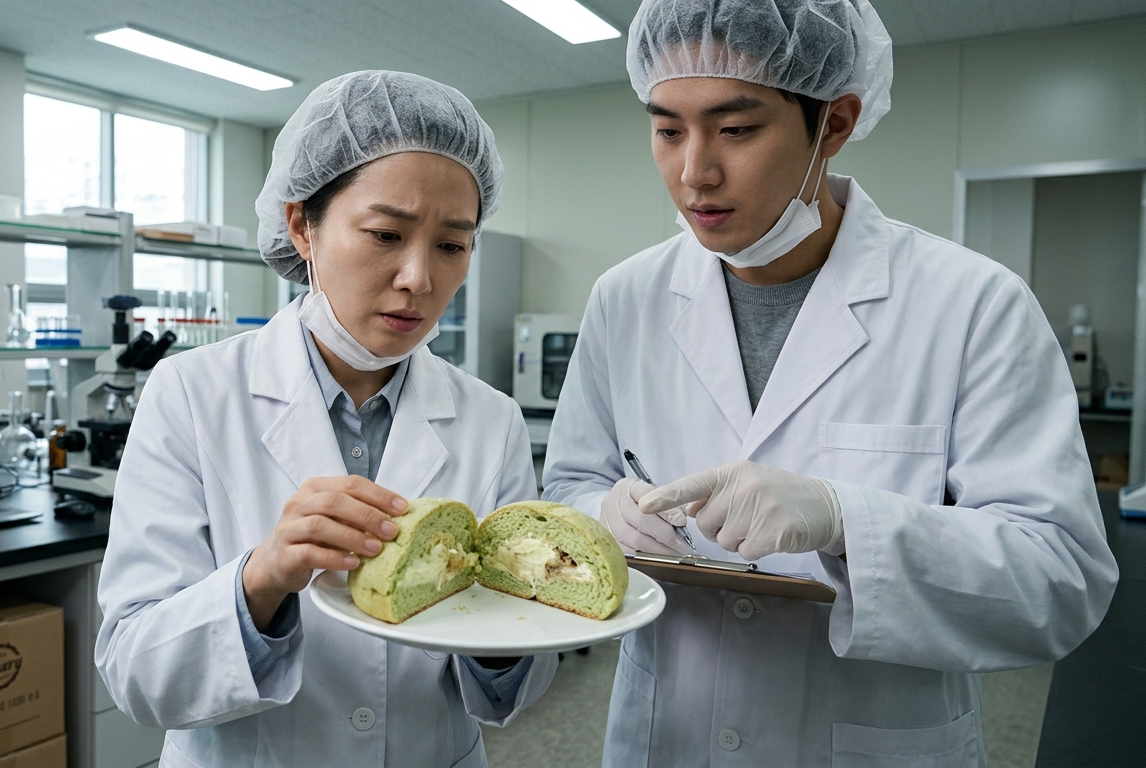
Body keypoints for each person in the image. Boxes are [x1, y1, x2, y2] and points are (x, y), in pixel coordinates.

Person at [541, 0, 1120, 765]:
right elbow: (571, 488)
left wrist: (848, 523)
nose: (694, 172)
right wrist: (603, 519)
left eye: (736, 129)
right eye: (668, 128)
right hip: (665, 734)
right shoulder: (626, 298)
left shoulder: (974, 305)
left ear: (834, 124)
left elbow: (1059, 578)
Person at [96, 70, 557, 768]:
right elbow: (136, 673)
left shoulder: (491, 421)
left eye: (451, 245)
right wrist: (265, 577)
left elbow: (512, 688)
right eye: (384, 234)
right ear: (300, 226)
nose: (418, 279)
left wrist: (522, 619)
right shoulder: (192, 392)